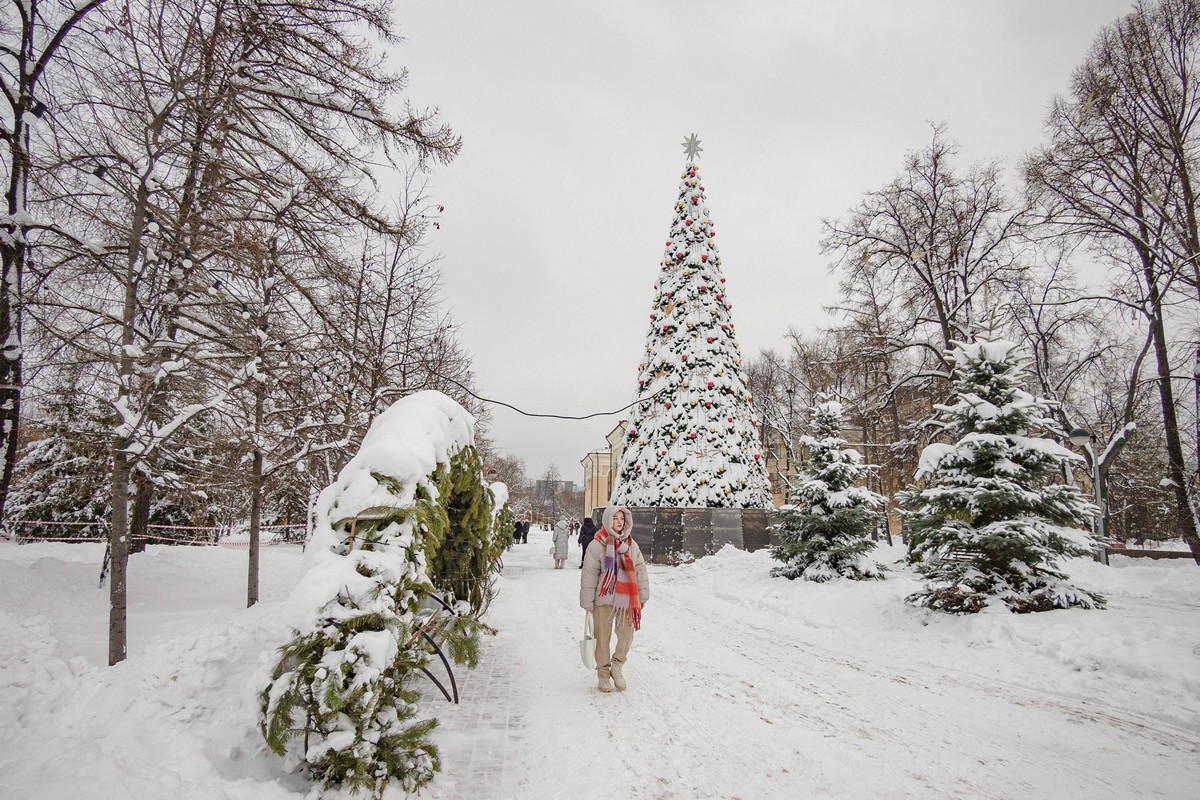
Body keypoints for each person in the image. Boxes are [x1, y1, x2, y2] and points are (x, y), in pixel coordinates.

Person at [579, 505, 648, 692]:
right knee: (602, 637)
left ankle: (617, 666)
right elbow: (589, 575)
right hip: (603, 599)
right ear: (608, 520)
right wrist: (587, 602)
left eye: (622, 519)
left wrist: (643, 594)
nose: (619, 522)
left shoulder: (631, 545)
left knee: (626, 636)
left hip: (626, 600)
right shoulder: (597, 544)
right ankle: (603, 673)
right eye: (615, 518)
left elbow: (640, 570)